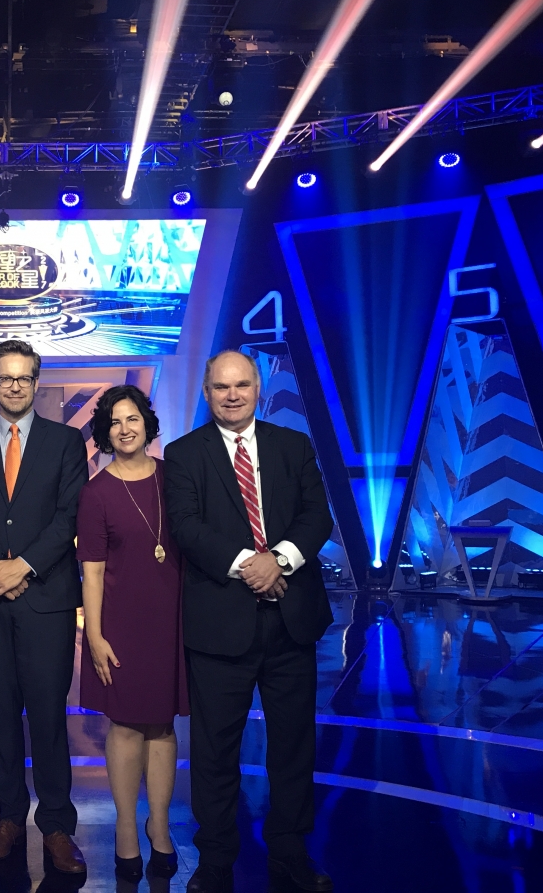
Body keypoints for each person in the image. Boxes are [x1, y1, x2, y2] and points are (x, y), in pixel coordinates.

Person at [164, 350, 335, 893]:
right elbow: (188, 528)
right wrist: (248, 566)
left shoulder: (293, 445)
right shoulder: (183, 453)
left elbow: (317, 517)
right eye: (220, 387)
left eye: (241, 385)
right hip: (220, 626)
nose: (231, 395)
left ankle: (289, 853)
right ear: (207, 393)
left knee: (293, 747)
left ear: (257, 387)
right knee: (215, 752)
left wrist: (278, 559)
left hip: (291, 623)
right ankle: (215, 860)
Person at [0, 339, 90, 875]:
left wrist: (23, 565)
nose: (13, 386)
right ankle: (8, 818)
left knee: (50, 713)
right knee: (1, 713)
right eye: (5, 377)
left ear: (37, 382)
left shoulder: (66, 441)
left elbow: (69, 515)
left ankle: (56, 825)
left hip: (45, 597)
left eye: (23, 378)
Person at [77, 385, 188, 883]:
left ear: (148, 423)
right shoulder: (96, 491)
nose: (125, 429)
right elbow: (93, 574)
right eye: (115, 422)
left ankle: (159, 825)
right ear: (105, 432)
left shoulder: (175, 479)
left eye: (133, 419)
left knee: (163, 726)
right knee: (125, 727)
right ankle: (126, 826)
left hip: (173, 621)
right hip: (119, 624)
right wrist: (94, 636)